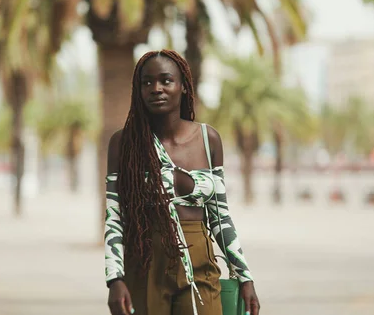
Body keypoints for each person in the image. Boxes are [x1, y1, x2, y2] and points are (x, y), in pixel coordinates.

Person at [104, 50, 260, 315]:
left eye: (166, 80)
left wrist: (244, 276)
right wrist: (115, 279)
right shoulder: (124, 143)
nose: (157, 89)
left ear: (184, 86)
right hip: (144, 260)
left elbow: (220, 216)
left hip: (200, 259)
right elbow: (114, 216)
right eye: (147, 82)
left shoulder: (208, 140)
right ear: (138, 90)